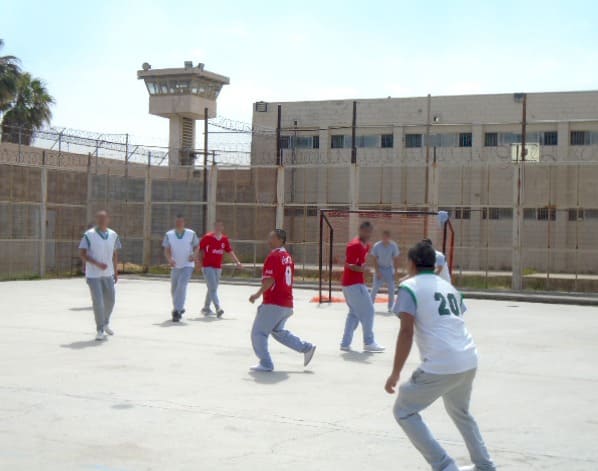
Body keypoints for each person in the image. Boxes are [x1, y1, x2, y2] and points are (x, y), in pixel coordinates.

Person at [385, 241, 496, 471]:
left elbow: (406, 331)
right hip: (468, 359)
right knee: (461, 412)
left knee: (403, 411)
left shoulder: (409, 287)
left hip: (441, 364)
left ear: (412, 264)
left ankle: (444, 466)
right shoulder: (448, 287)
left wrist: (395, 373)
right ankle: (485, 465)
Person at [248, 229, 316, 372]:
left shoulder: (274, 256)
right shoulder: (287, 256)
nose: (268, 240)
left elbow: (270, 280)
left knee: (258, 333)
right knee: (278, 332)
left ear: (280, 240)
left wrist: (257, 294)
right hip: (286, 303)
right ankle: (306, 348)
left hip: (274, 302)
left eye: (271, 238)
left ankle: (266, 363)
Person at [340, 221, 385, 353]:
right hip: (353, 284)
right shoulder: (354, 246)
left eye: (370, 232)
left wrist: (362, 270)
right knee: (369, 311)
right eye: (366, 231)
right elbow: (349, 265)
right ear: (360, 230)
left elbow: (359, 264)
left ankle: (345, 343)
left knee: (354, 314)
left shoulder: (366, 246)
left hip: (354, 284)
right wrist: (362, 270)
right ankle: (369, 342)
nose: (368, 234)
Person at [78, 210, 121, 341]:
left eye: (104, 218)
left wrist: (116, 271)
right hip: (93, 275)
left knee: (111, 300)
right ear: (96, 220)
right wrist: (96, 263)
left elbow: (114, 254)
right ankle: (100, 329)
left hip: (108, 273)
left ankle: (106, 322)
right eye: (99, 219)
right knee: (98, 302)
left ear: (108, 219)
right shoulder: (88, 235)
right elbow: (82, 253)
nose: (102, 221)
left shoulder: (113, 235)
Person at [198, 221, 243, 317]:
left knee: (212, 288)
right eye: (216, 226)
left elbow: (229, 251)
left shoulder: (224, 239)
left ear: (222, 227)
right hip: (207, 266)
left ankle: (206, 308)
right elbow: (200, 249)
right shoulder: (207, 237)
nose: (218, 227)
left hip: (218, 267)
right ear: (214, 227)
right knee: (213, 288)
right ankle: (218, 308)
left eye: (220, 226)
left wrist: (237, 262)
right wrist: (199, 262)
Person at [162, 214, 199, 322]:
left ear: (184, 223)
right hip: (175, 265)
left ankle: (177, 311)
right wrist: (170, 259)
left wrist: (194, 255)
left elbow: (197, 246)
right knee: (174, 289)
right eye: (177, 222)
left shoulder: (191, 234)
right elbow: (167, 249)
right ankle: (180, 307)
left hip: (187, 264)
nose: (179, 224)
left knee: (182, 285)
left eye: (181, 222)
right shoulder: (169, 234)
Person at [369, 230, 400, 313]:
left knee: (391, 288)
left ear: (389, 238)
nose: (384, 239)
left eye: (386, 237)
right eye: (383, 237)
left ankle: (390, 307)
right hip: (380, 268)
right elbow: (374, 259)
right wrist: (377, 271)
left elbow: (396, 259)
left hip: (389, 269)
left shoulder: (393, 246)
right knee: (375, 288)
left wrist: (396, 272)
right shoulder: (377, 246)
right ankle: (370, 306)